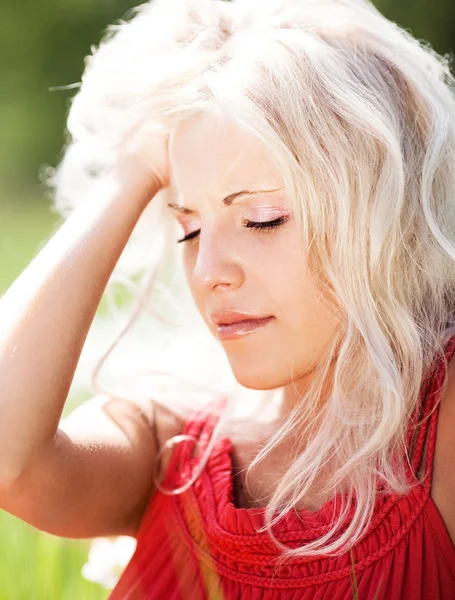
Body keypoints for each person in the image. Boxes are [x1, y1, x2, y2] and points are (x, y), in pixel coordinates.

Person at [1, 0, 455, 597]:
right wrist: (132, 171)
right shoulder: (172, 442)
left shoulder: (439, 428)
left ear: (381, 213)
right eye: (188, 228)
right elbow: (12, 464)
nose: (209, 271)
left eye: (262, 219)